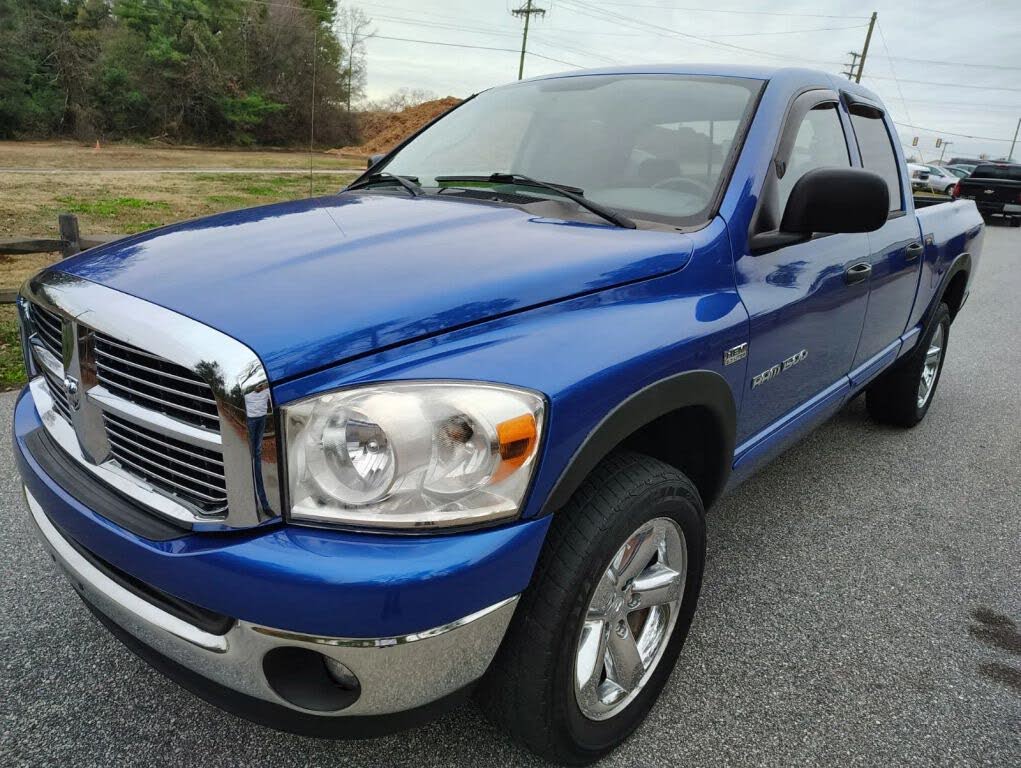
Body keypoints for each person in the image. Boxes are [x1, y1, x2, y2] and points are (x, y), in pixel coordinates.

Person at [244, 382, 273, 513]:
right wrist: (253, 388)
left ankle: (264, 505)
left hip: (262, 419)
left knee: (257, 454)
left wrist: (264, 386)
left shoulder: (267, 389)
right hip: (250, 420)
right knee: (250, 457)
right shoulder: (247, 390)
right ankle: (252, 502)